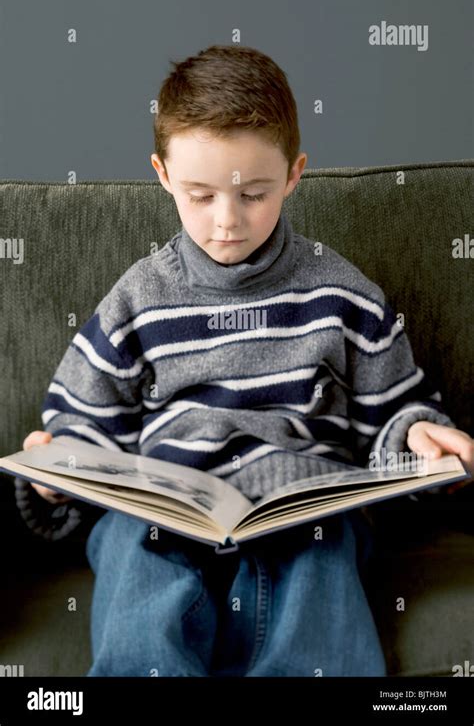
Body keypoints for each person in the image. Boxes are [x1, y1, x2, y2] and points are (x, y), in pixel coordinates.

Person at [17, 45, 474, 677]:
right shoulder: (137, 298)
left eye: (254, 193)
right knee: (131, 544)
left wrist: (416, 434)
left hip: (300, 504)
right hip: (167, 508)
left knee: (322, 556)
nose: (227, 221)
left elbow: (392, 413)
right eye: (200, 195)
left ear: (294, 173)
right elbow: (87, 425)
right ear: (162, 174)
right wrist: (56, 470)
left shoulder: (342, 296)